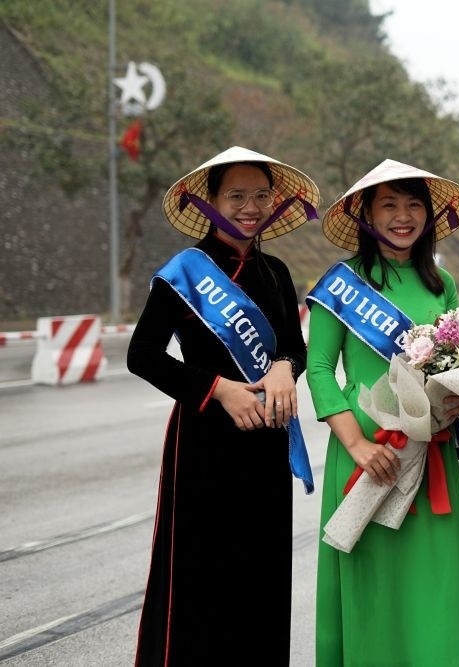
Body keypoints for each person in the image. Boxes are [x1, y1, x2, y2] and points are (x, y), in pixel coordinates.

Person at [127, 146, 321, 665]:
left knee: (262, 570)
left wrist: (284, 367)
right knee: (201, 573)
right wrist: (219, 389)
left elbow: (293, 348)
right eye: (236, 196)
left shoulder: (276, 271)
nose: (250, 207)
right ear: (210, 201)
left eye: (261, 195)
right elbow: (142, 355)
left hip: (266, 442)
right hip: (203, 442)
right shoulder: (185, 272)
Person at [305, 159, 459, 667]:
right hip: (368, 451)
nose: (403, 216)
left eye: (414, 205)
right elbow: (319, 369)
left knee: (439, 575)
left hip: (428, 444)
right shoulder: (343, 282)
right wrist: (357, 445)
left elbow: (458, 365)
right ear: (366, 214)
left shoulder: (442, 282)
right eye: (389, 204)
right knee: (375, 578)